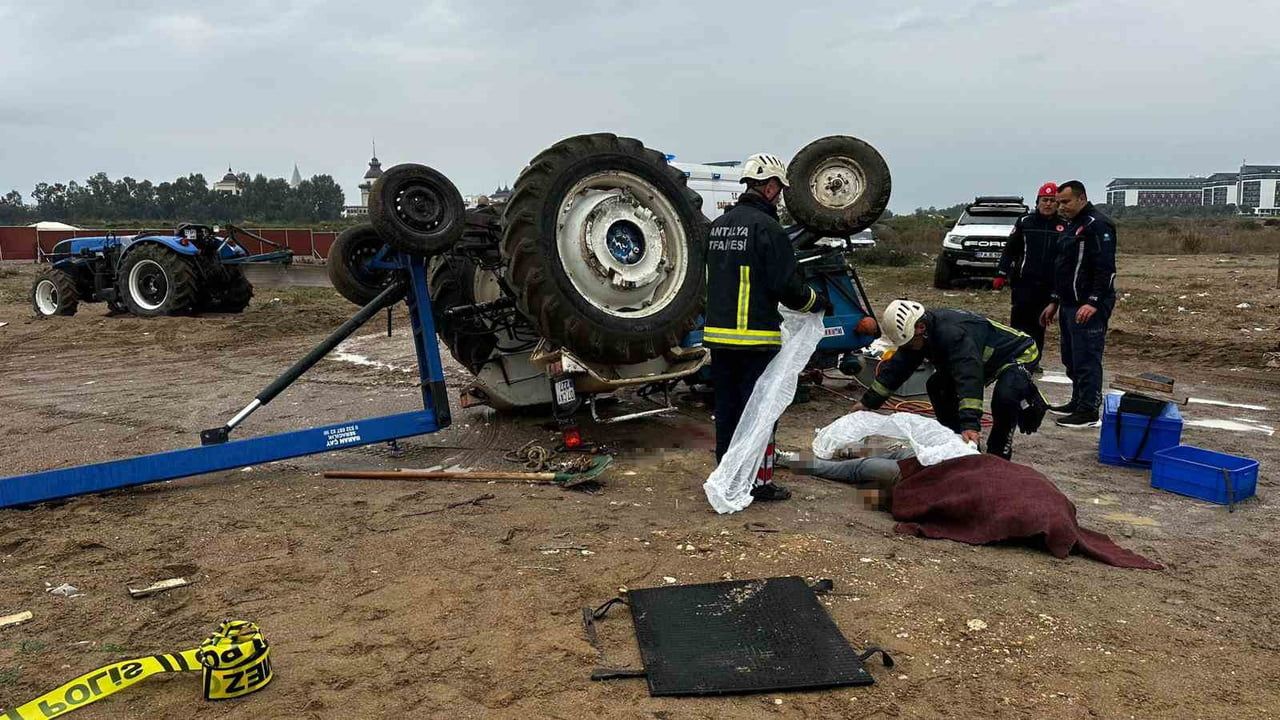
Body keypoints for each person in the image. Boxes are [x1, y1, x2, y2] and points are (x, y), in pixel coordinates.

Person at [705, 152, 830, 502]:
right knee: (761, 412)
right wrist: (816, 302)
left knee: (728, 411)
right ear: (771, 186)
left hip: (717, 337)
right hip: (755, 339)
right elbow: (787, 288)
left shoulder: (717, 227)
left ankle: (726, 474)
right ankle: (758, 482)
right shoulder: (768, 229)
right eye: (780, 188)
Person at [850, 300, 1046, 460]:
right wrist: (866, 403)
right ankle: (956, 440)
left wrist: (971, 424)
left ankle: (999, 453)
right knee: (937, 386)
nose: (909, 348)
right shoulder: (918, 337)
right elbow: (895, 370)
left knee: (1006, 396)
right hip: (982, 359)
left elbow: (969, 378)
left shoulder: (953, 335)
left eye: (909, 343)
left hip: (1016, 353)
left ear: (920, 328)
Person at [1039, 180, 1117, 429]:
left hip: (1089, 305)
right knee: (1071, 357)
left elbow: (1105, 269)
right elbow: (1063, 267)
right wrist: (1054, 301)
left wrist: (1093, 302)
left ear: (1081, 198)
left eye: (1066, 201)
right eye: (1059, 202)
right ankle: (1077, 400)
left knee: (1087, 358)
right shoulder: (1073, 225)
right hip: (1068, 303)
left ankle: (1089, 410)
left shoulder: (1098, 225)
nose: (1061, 206)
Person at [994, 182, 1061, 369]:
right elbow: (1010, 250)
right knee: (1018, 324)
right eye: (1044, 200)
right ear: (1037, 202)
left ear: (1057, 204)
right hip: (1024, 283)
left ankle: (1034, 361)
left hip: (1047, 286)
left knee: (1039, 326)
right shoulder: (1025, 222)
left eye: (1052, 200)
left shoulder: (1063, 226)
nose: (1048, 204)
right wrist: (1001, 272)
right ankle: (1015, 358)